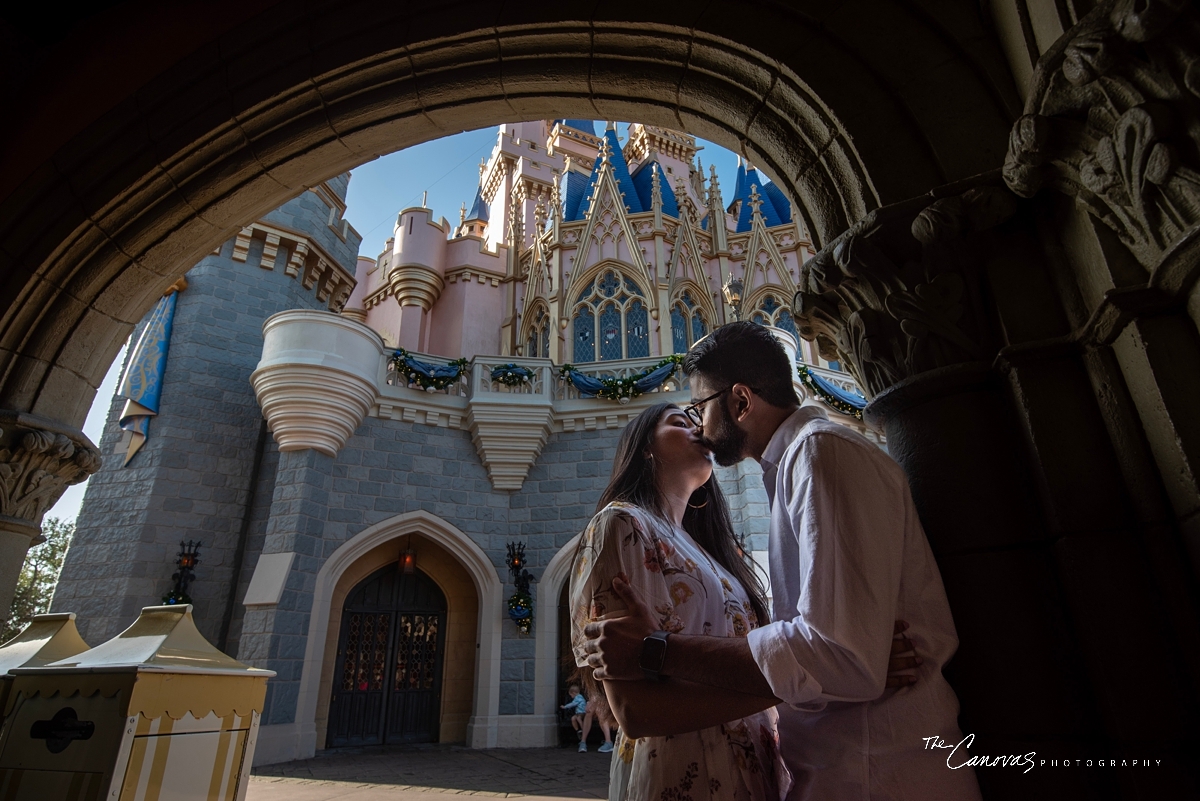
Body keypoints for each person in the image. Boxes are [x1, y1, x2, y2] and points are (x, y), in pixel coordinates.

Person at [582, 322, 981, 801]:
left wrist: (659, 649)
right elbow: (837, 655)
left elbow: (839, 656)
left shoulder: (819, 452)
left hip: (877, 770)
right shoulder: (797, 464)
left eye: (699, 409)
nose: (699, 427)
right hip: (834, 768)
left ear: (741, 402)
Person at [570, 403, 786, 801]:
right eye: (679, 422)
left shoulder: (710, 553)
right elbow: (636, 711)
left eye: (697, 421)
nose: (698, 428)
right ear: (644, 448)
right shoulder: (622, 524)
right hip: (683, 765)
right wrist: (801, 681)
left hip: (755, 761)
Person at [561, 682, 589, 751]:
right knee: (573, 718)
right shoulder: (577, 697)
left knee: (578, 718)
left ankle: (583, 730)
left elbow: (573, 704)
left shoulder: (578, 697)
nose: (571, 697)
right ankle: (578, 730)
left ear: (573, 693)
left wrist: (565, 707)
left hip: (582, 712)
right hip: (578, 712)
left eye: (571, 695)